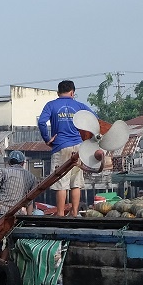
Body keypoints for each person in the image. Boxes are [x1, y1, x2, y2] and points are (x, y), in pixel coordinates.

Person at [38, 79, 98, 216]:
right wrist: (86, 136)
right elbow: (95, 118)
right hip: (78, 147)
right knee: (76, 182)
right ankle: (74, 213)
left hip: (60, 146)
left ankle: (60, 214)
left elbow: (41, 122)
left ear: (58, 92)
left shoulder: (51, 105)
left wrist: (47, 139)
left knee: (61, 182)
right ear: (72, 92)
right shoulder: (79, 106)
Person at [0, 150, 39, 222]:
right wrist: (29, 218)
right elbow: (30, 199)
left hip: (1, 212)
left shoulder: (3, 171)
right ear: (23, 163)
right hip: (17, 214)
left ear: (9, 162)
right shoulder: (32, 177)